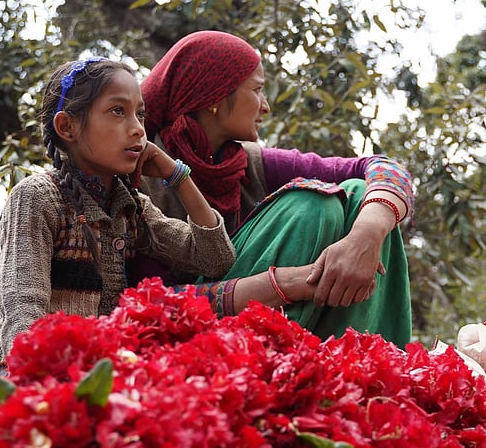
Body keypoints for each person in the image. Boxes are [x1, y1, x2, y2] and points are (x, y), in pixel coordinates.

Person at [137, 30, 414, 346]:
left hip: (275, 314)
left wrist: (366, 235)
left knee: (360, 194)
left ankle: (360, 364)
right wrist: (285, 284)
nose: (265, 106)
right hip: (189, 339)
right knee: (313, 205)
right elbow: (142, 299)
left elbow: (386, 168)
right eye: (257, 90)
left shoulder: (250, 163)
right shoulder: (141, 174)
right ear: (213, 98)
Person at [0, 57, 235, 370]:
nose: (138, 129)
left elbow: (215, 258)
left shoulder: (129, 206)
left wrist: (176, 174)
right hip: (27, 374)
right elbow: (22, 311)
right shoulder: (37, 197)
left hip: (96, 371)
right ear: (67, 126)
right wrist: (50, 383)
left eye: (140, 114)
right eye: (118, 111)